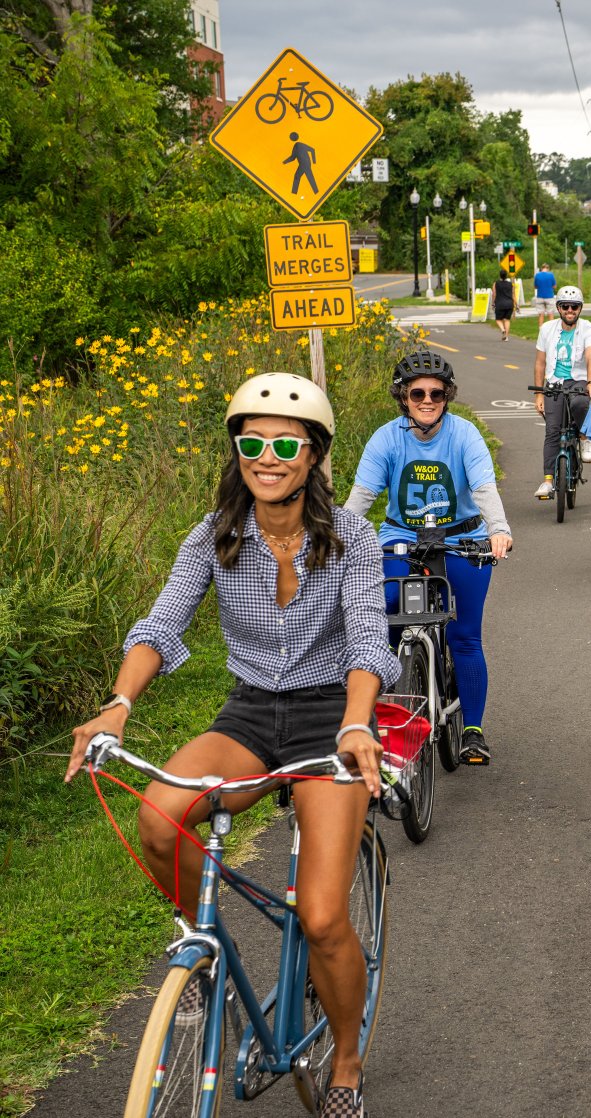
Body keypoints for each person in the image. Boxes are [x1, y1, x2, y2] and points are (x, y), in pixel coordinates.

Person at [67, 372, 398, 1118]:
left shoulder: (351, 537)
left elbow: (369, 644)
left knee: (321, 917)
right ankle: (208, 948)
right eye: (252, 442)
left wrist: (355, 722)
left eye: (286, 443)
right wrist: (118, 704)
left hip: (328, 717)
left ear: (313, 456)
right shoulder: (212, 534)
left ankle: (345, 1062)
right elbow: (161, 625)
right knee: (159, 819)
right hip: (249, 715)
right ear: (236, 451)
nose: (267, 456)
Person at [345, 351, 513, 765]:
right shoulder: (386, 437)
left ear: (447, 396)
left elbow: (484, 487)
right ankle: (376, 714)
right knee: (382, 619)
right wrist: (339, 539)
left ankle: (472, 729)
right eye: (417, 392)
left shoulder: (464, 435)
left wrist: (498, 530)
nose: (427, 399)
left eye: (436, 393)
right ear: (403, 396)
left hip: (462, 539)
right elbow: (361, 498)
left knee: (465, 636)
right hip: (402, 538)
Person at [533, 285, 591, 499]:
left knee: (580, 404)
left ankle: (583, 436)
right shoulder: (547, 329)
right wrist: (539, 394)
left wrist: (590, 382)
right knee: (552, 430)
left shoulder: (588, 328)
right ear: (559, 308)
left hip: (578, 381)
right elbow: (540, 364)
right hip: (554, 383)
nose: (570, 310)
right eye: (565, 306)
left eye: (574, 307)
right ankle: (547, 481)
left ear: (580, 309)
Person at [493, 272, 515, 341]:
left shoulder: (496, 284)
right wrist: (516, 305)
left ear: (500, 275)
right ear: (506, 276)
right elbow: (513, 295)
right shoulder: (510, 284)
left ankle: (503, 330)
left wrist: (493, 303)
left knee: (498, 319)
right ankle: (506, 337)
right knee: (507, 320)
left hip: (500, 304)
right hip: (509, 304)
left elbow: (494, 294)